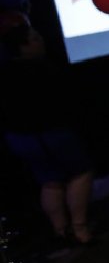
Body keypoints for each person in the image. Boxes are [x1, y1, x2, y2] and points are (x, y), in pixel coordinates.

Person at [0, 24, 95, 245]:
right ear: (22, 46)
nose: (41, 41)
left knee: (50, 182)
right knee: (80, 173)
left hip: (21, 139)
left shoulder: (4, 74)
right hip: (53, 133)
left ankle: (60, 231)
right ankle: (79, 228)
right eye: (34, 39)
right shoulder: (45, 69)